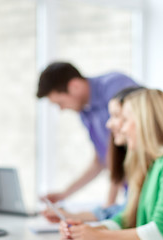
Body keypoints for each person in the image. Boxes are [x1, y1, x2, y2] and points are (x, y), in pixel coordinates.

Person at [60, 89, 163, 239]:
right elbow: (128, 217)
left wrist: (98, 235)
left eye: (124, 120)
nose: (121, 129)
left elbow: (161, 231)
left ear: (144, 122)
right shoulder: (150, 162)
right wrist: (88, 231)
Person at [36, 62, 139, 209]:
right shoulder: (85, 112)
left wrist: (110, 202)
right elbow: (101, 160)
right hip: (133, 191)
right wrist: (64, 194)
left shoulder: (115, 86)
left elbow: (123, 149)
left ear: (74, 86)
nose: (62, 109)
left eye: (60, 102)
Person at [42, 87, 145, 223]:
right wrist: (72, 215)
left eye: (118, 117)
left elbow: (142, 222)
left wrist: (97, 231)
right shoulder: (87, 115)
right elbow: (124, 211)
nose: (108, 124)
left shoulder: (113, 84)